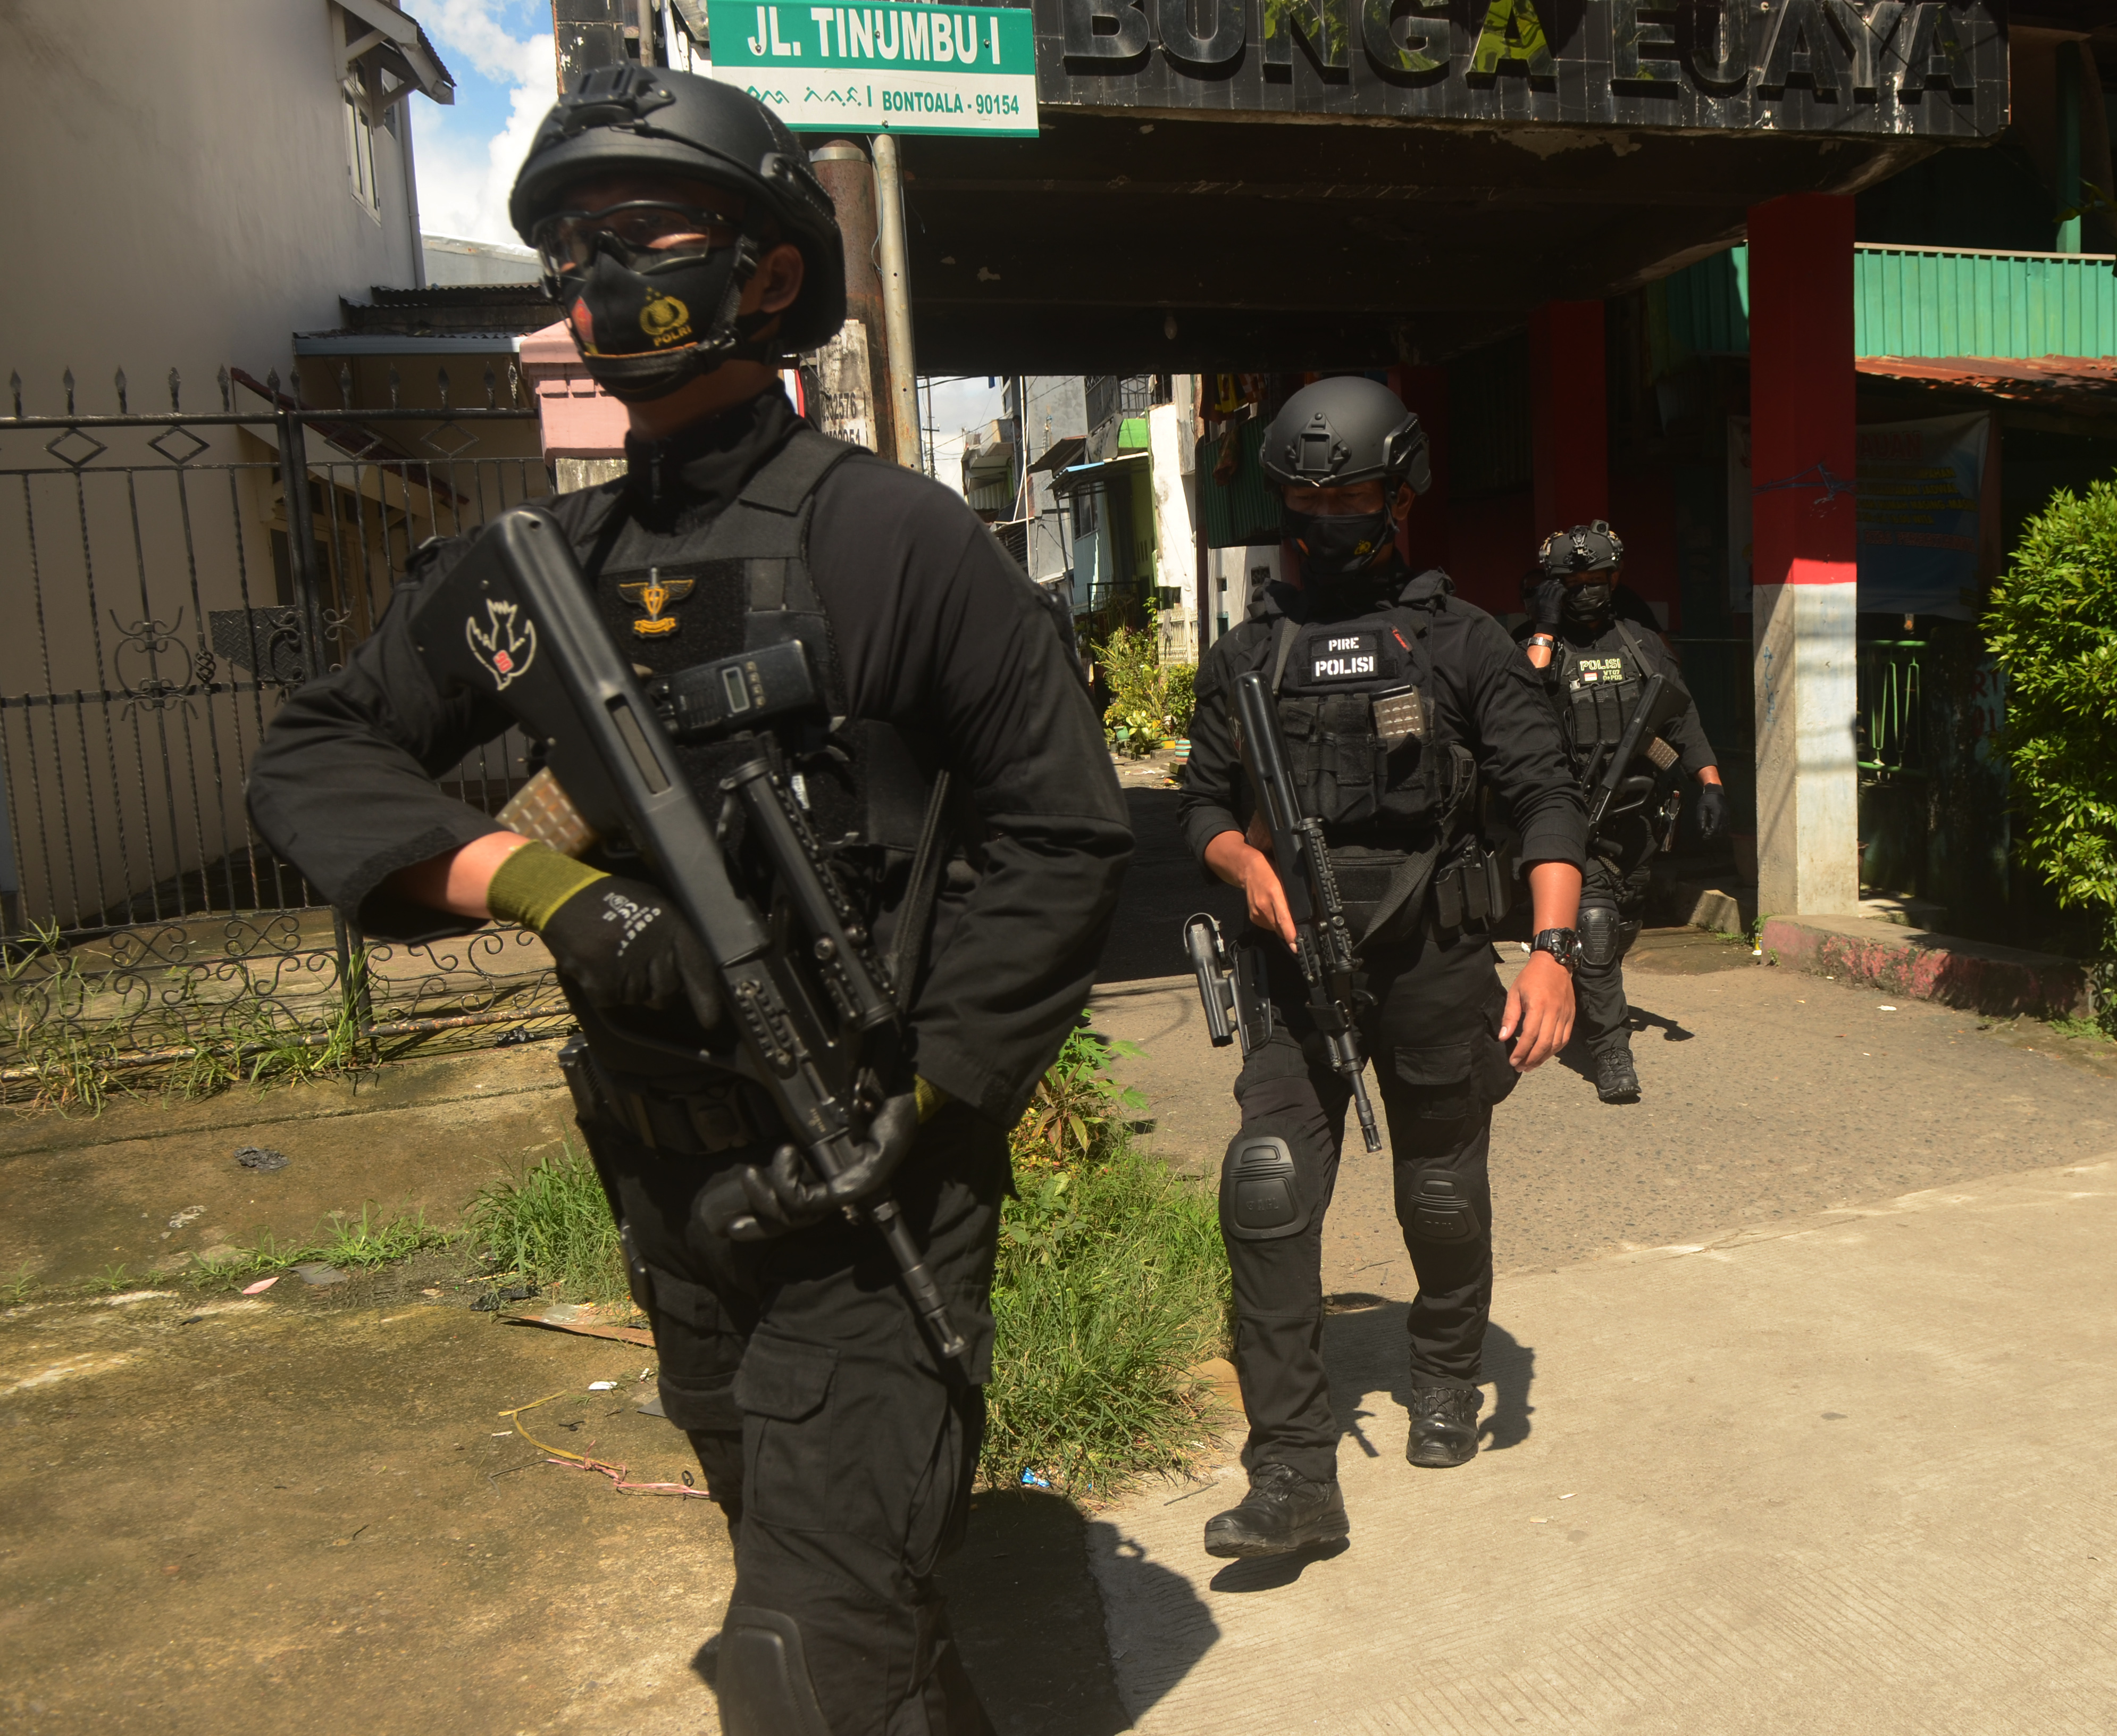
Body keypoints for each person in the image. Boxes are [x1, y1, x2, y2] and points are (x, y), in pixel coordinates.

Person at [245, 65, 1130, 1736]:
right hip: (666, 1186)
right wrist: (545, 886)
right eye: (568, 250)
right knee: (821, 1584)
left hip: (867, 1182)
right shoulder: (530, 576)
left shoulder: (899, 544)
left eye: (635, 237)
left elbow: (1061, 836)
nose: (594, 283)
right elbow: (314, 752)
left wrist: (938, 1086)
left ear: (769, 272)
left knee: (803, 1661)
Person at [1178, 376, 1585, 1557]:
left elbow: (1545, 799)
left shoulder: (1464, 644)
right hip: (1294, 972)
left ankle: (1450, 1368)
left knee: (1440, 1193)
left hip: (1438, 965)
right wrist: (1240, 861)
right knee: (1264, 1184)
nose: (1336, 514)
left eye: (1356, 491)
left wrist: (1550, 954)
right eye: (1313, 495)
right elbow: (1199, 802)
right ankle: (1295, 1474)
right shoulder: (1250, 653)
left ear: (1401, 492)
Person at [1516, 523, 1726, 1103]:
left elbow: (1681, 722)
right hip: (1569, 816)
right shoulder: (1537, 646)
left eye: (1597, 580)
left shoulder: (1640, 642)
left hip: (1637, 822)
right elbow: (1520, 706)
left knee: (1621, 923)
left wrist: (1709, 785)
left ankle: (1589, 985)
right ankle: (1611, 1054)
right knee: (1596, 926)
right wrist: (1544, 627)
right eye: (1572, 583)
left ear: (1615, 579)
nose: (1586, 591)